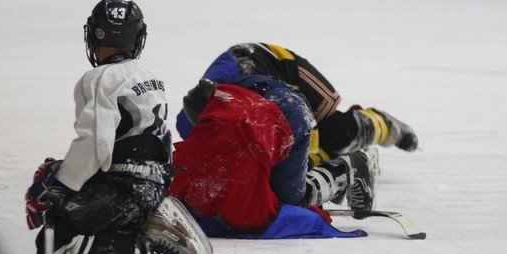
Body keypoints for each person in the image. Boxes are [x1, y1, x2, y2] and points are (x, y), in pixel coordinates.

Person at [24, 0, 208, 254]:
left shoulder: (98, 78)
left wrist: (59, 186)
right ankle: (147, 216)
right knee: (61, 189)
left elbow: (95, 144)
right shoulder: (148, 74)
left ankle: (141, 243)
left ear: (94, 34)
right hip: (155, 184)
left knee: (54, 248)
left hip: (124, 188)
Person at [170, 74, 377, 238]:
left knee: (291, 200)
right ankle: (307, 170)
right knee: (271, 175)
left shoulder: (221, 119)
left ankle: (348, 169)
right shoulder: (229, 91)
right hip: (285, 110)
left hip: (287, 119)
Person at [175, 42, 419, 165]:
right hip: (246, 80)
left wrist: (310, 164)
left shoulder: (257, 93)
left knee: (338, 134)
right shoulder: (188, 123)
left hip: (285, 69)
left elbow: (299, 112)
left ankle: (380, 123)